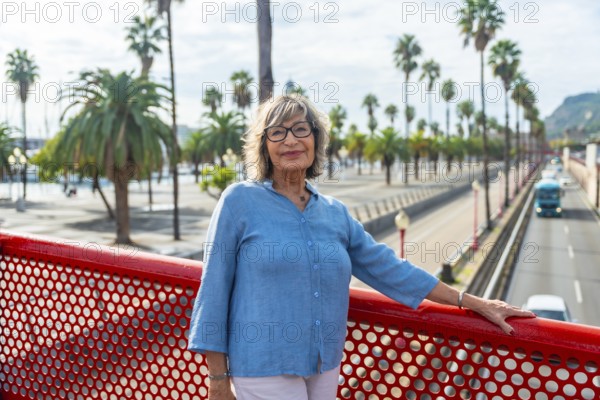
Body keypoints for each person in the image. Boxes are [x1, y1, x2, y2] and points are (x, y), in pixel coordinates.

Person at [187, 94, 535, 400]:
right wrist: (217, 381)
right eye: (277, 132)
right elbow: (214, 291)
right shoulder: (239, 202)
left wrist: (470, 301)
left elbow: (390, 269)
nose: (290, 140)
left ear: (316, 140)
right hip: (262, 364)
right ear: (264, 146)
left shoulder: (334, 213)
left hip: (324, 363)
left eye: (300, 129)